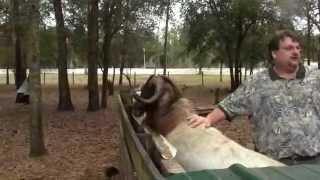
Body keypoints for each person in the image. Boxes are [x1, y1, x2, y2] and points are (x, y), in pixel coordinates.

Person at [188, 30, 320, 165]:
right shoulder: (257, 82)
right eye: (289, 48)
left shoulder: (315, 77)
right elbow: (230, 105)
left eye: (297, 48)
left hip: (315, 160)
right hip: (273, 163)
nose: (295, 52)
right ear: (274, 54)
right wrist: (208, 119)